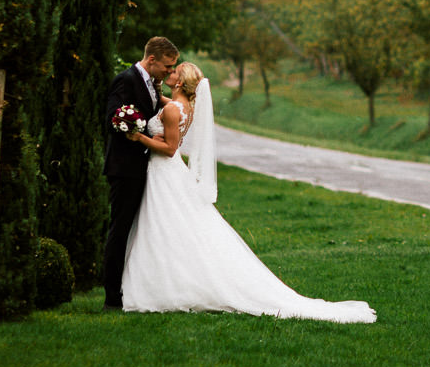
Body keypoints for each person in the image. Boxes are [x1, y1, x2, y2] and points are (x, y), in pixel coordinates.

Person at [120, 62, 376, 323]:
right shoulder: (180, 106)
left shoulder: (174, 109)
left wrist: (138, 136)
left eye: (173, 72)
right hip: (167, 174)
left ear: (179, 82)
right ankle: (167, 281)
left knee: (164, 226)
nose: (169, 72)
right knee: (168, 227)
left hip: (166, 171)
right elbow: (165, 110)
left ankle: (165, 286)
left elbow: (171, 148)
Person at [102, 36, 179, 310]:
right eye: (168, 66)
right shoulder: (126, 79)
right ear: (152, 60)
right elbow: (114, 119)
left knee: (136, 230)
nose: (170, 71)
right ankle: (112, 298)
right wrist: (141, 133)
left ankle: (133, 289)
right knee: (120, 229)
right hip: (124, 168)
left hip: (143, 166)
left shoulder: (151, 84)